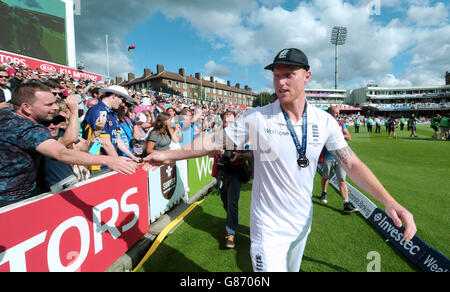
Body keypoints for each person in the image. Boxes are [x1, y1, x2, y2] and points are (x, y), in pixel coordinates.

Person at [142, 48, 416, 272]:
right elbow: (212, 141)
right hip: (267, 228)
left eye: (288, 74)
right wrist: (168, 154)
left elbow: (351, 163)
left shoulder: (325, 121)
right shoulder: (258, 117)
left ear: (306, 76)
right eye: (276, 76)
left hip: (301, 223)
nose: (281, 81)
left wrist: (388, 201)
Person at [0, 82, 138, 207]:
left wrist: (96, 133)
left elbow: (82, 147)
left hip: (37, 191)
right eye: (48, 105)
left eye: (57, 120)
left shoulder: (9, 117)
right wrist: (110, 160)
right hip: (10, 200)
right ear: (26, 107)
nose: (53, 124)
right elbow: (61, 151)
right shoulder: (28, 128)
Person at [211, 111, 252, 249]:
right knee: (226, 203)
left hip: (236, 171)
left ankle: (230, 234)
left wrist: (239, 156)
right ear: (222, 122)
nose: (228, 125)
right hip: (221, 172)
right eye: (226, 122)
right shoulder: (217, 134)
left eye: (231, 122)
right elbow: (209, 153)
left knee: (232, 203)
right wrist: (218, 150)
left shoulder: (242, 134)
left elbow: (251, 152)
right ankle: (233, 221)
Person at [81, 85, 140, 175]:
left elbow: (117, 139)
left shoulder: (113, 114)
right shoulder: (98, 111)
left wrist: (132, 156)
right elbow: (105, 143)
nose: (122, 104)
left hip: (110, 161)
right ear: (114, 95)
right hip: (97, 163)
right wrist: (120, 163)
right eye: (122, 100)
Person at [319, 107, 357, 213]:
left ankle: (346, 204)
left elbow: (349, 137)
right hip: (328, 156)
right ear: (330, 114)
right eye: (335, 113)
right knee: (326, 176)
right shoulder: (324, 124)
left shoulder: (341, 123)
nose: (338, 115)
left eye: (338, 113)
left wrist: (338, 134)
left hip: (341, 157)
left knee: (342, 179)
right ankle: (324, 192)